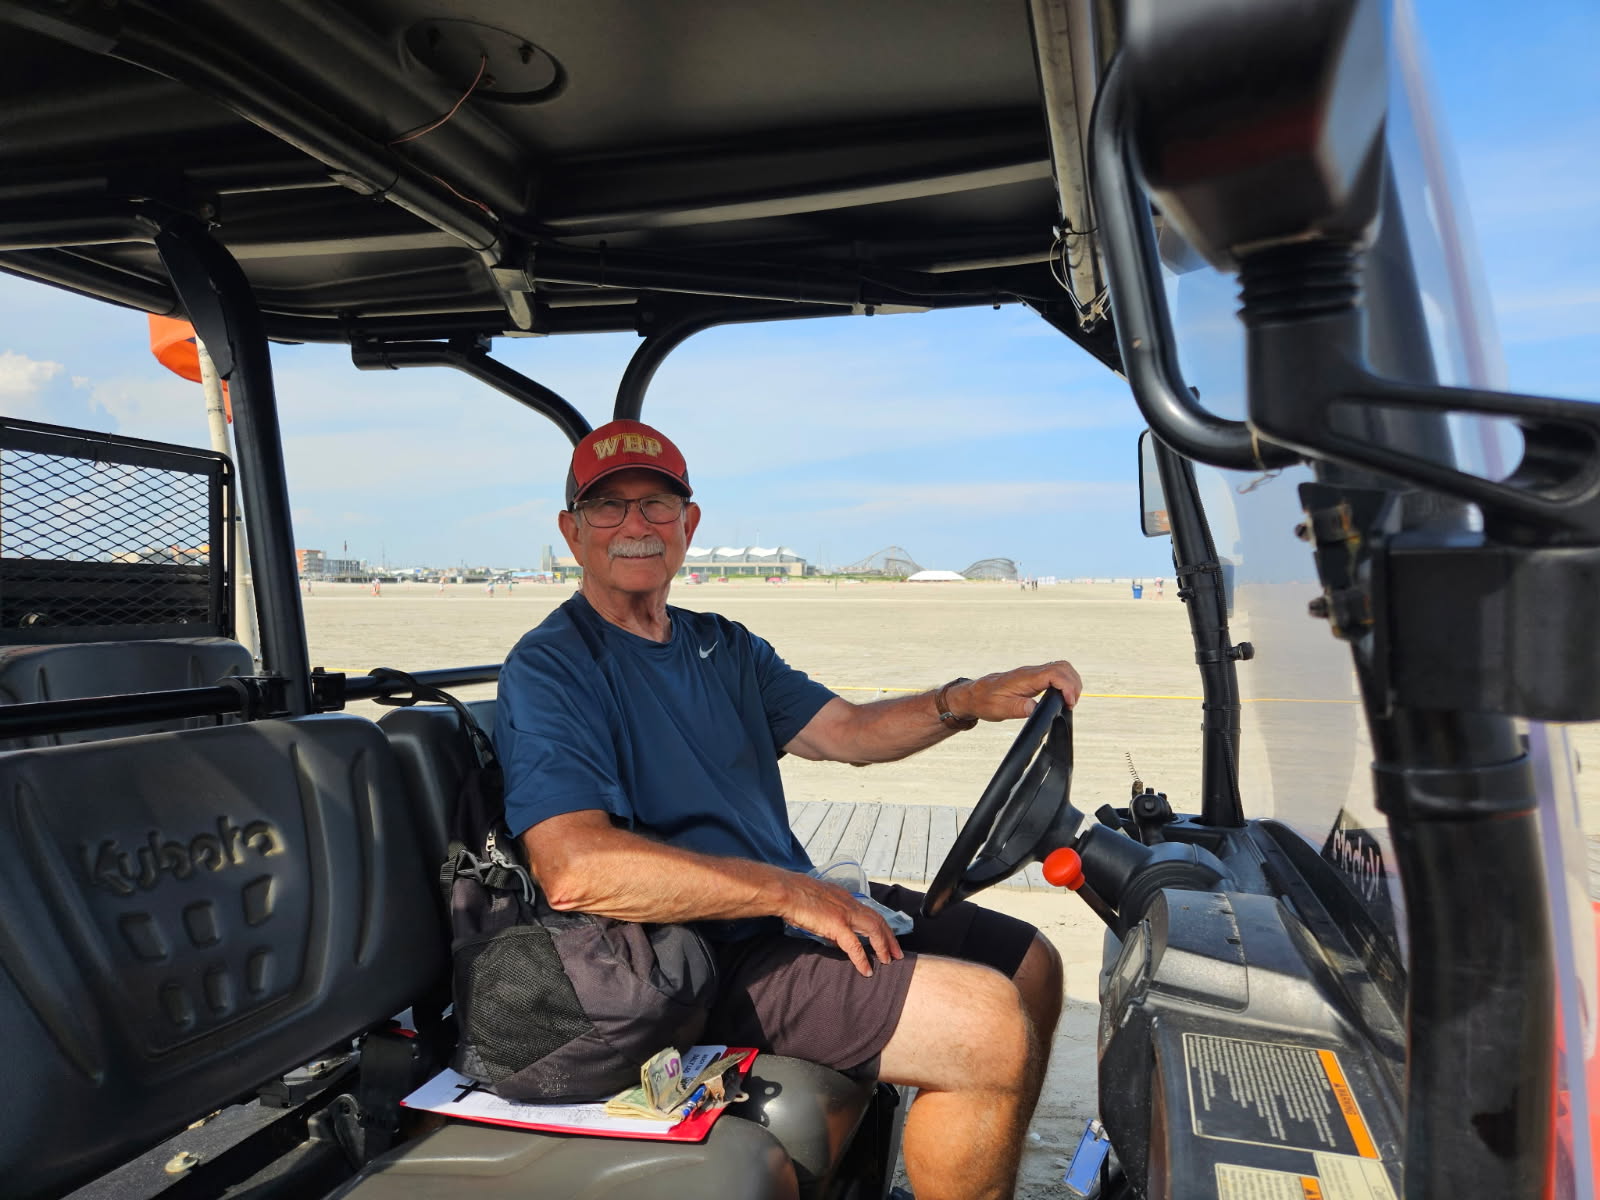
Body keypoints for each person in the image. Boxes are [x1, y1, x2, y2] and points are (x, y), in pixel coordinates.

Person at [497, 420, 1082, 1200]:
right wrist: (792, 892)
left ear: (689, 525)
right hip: (692, 956)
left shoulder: (723, 646)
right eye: (607, 508)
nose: (635, 526)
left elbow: (847, 730)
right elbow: (574, 869)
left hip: (788, 912)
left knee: (1032, 963)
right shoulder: (553, 667)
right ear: (572, 533)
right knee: (985, 1027)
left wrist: (962, 700)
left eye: (657, 504)